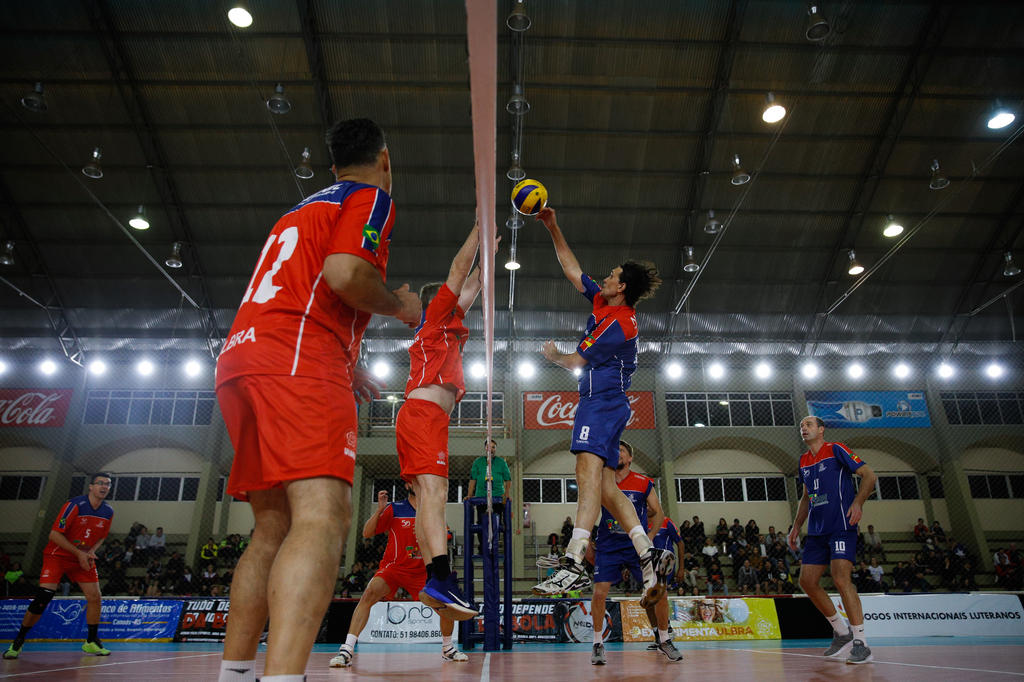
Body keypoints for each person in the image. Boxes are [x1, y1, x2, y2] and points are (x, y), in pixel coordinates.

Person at [214, 118, 422, 682]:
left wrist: (348, 362)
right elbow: (345, 275)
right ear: (385, 158)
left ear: (331, 166)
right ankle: (284, 677)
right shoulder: (370, 197)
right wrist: (402, 308)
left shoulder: (298, 211)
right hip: (296, 360)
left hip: (243, 358)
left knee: (272, 526)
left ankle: (233, 674)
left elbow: (298, 285)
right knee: (322, 515)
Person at [530, 206, 670, 604]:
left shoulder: (619, 323)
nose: (604, 278)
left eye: (611, 276)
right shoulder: (604, 307)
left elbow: (576, 361)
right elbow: (574, 271)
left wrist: (555, 356)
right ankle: (647, 554)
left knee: (585, 472)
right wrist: (554, 227)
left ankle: (574, 559)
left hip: (602, 402)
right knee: (608, 488)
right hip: (605, 402)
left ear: (621, 288)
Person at [396, 223, 492, 621]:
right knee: (435, 496)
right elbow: (458, 272)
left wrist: (490, 254)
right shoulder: (434, 317)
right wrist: (477, 231)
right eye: (451, 297)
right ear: (439, 301)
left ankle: (431, 581)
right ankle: (440, 576)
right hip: (424, 416)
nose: (458, 298)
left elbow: (472, 285)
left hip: (425, 418)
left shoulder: (448, 325)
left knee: (427, 499)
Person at [329, 487, 467, 668]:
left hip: (421, 571)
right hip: (394, 568)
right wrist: (379, 511)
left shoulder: (432, 510)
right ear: (408, 485)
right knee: (369, 593)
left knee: (445, 605)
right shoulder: (395, 508)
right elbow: (367, 533)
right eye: (410, 480)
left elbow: (444, 537)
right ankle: (346, 649)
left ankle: (448, 648)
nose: (414, 481)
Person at [788, 416, 878, 665]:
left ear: (821, 429)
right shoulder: (804, 460)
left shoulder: (836, 449)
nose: (803, 428)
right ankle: (841, 631)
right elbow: (806, 497)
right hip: (817, 531)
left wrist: (858, 502)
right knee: (807, 581)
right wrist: (796, 527)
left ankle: (861, 642)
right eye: (801, 425)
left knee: (840, 578)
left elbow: (869, 476)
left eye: (808, 425)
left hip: (841, 525)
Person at [586, 441, 682, 665]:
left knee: (659, 591)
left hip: (636, 546)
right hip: (608, 545)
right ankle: (598, 644)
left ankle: (664, 639)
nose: (617, 454)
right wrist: (588, 540)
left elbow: (658, 513)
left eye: (622, 451)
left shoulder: (643, 482)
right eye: (614, 450)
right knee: (599, 592)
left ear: (630, 458)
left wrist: (648, 538)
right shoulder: (601, 480)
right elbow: (588, 508)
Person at [4, 473, 114, 660]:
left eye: (108, 484)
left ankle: (91, 641)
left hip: (81, 557)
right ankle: (18, 642)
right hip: (58, 555)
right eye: (100, 483)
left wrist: (91, 551)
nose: (104, 487)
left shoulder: (108, 511)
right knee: (43, 597)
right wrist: (79, 553)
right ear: (91, 486)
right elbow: (54, 535)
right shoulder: (74, 505)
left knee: (95, 597)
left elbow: (103, 535)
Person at [464, 438, 512, 554]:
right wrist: (469, 495)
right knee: (481, 522)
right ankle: (483, 547)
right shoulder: (478, 462)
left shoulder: (501, 462)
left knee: (497, 522)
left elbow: (508, 479)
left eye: (493, 447)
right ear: (485, 448)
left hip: (497, 498)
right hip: (481, 497)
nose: (491, 449)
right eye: (489, 447)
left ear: (495, 449)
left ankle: (494, 546)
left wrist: (506, 494)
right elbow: (473, 479)